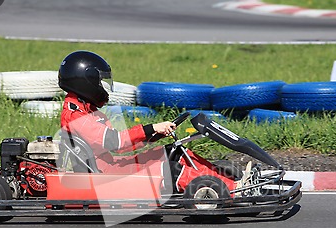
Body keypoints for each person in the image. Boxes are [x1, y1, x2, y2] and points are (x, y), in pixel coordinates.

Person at [58, 50, 237, 194]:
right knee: (171, 169)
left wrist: (153, 135)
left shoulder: (90, 112)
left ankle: (230, 183)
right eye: (100, 82)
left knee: (173, 152)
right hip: (106, 176)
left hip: (112, 166)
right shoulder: (76, 117)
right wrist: (151, 127)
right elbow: (115, 141)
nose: (103, 87)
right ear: (86, 82)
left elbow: (122, 147)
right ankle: (232, 191)